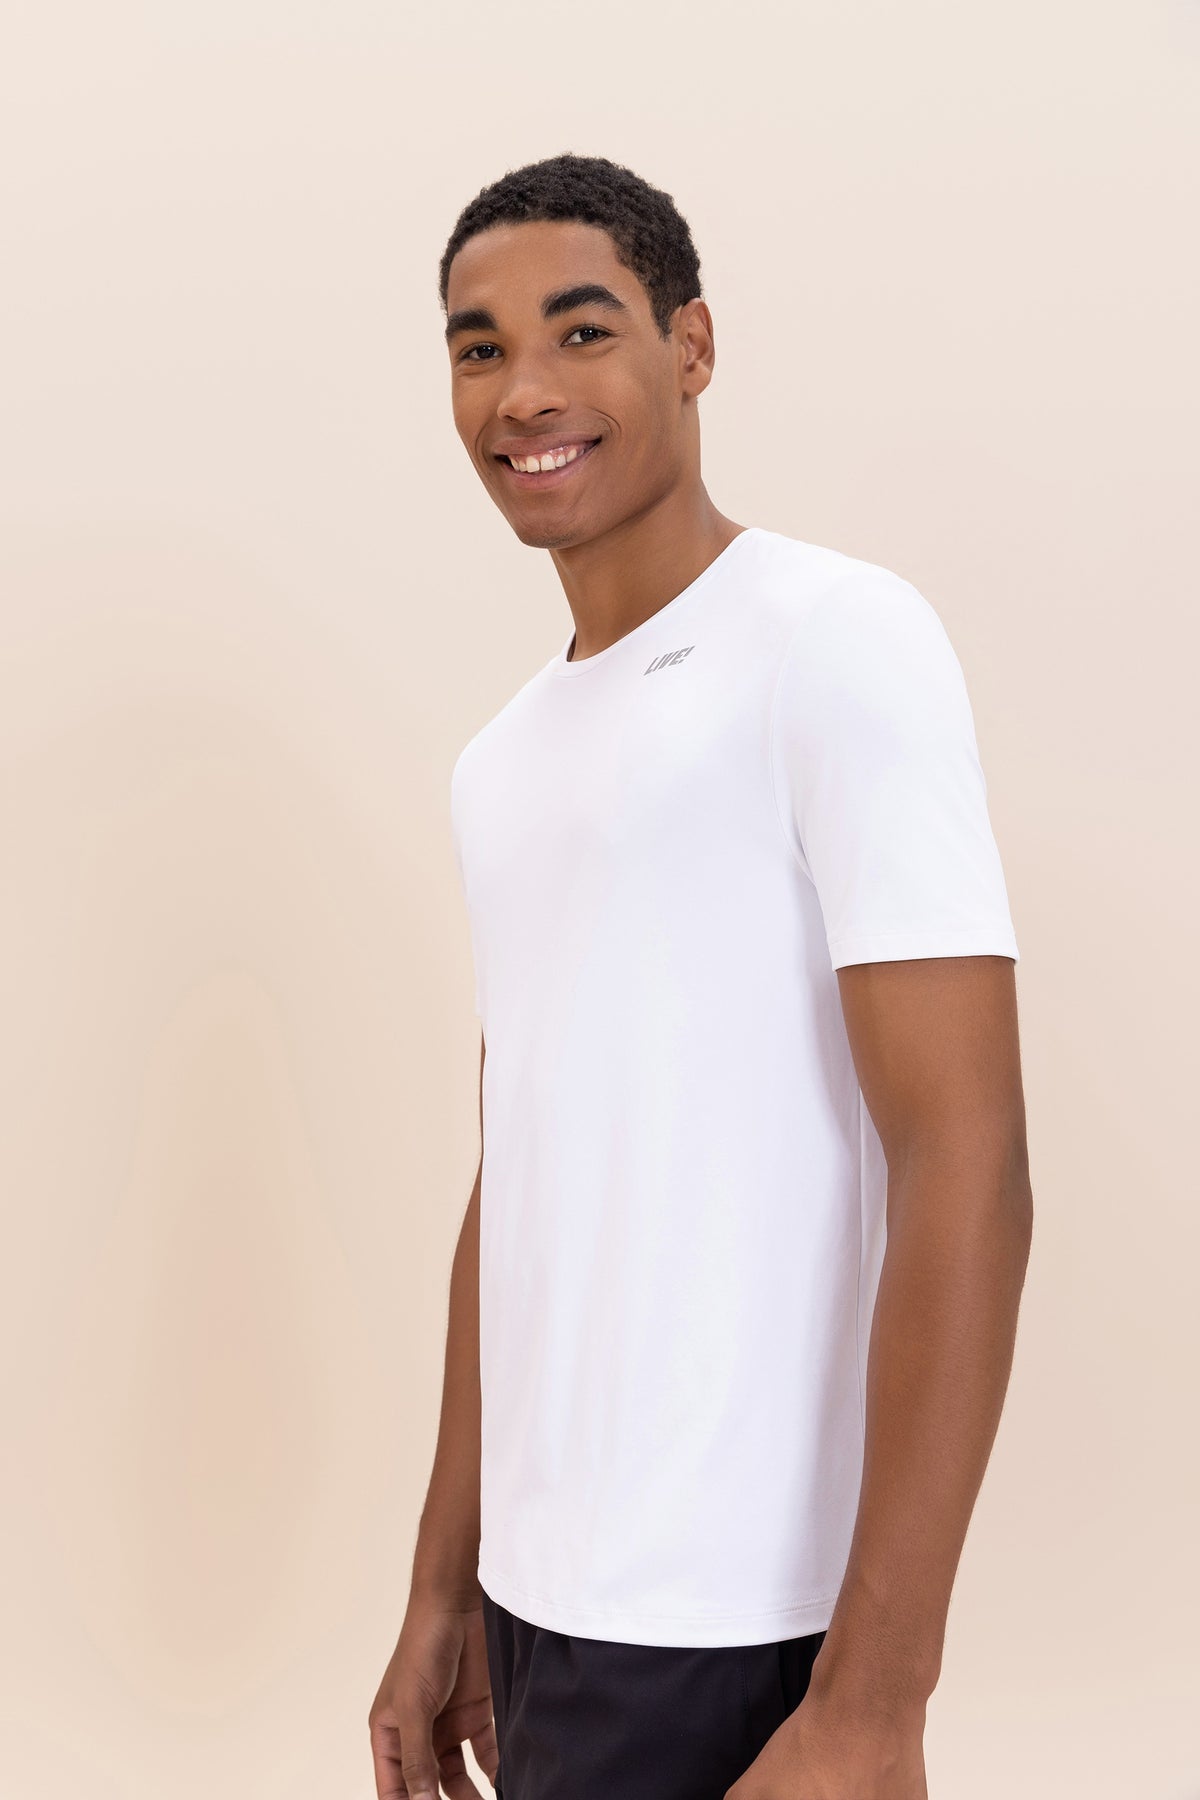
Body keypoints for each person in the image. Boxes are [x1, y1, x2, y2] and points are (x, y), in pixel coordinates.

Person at [369, 151, 1033, 1800]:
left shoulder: (833, 638)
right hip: (542, 1611)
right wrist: (448, 1582)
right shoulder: (500, 761)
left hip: (746, 1628)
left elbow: (968, 1160)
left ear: (693, 346)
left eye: (581, 330)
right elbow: (518, 1179)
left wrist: (875, 1698)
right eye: (478, 348)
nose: (525, 389)